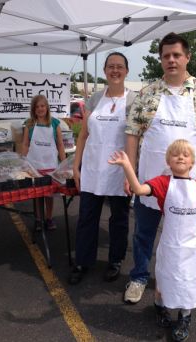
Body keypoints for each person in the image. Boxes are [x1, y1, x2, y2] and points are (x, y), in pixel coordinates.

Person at [123, 32, 196, 304]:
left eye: (176, 55)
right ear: (160, 59)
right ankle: (139, 277)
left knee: (183, 238)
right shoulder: (147, 93)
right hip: (150, 181)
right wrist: (131, 174)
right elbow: (132, 134)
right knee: (143, 234)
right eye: (166, 55)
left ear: (187, 57)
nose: (171, 60)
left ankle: (181, 282)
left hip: (187, 186)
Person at [109, 139, 196, 342]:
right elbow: (139, 190)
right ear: (169, 161)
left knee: (190, 281)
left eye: (185, 154)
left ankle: (185, 317)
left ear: (192, 162)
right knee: (166, 278)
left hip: (194, 246)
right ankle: (160, 306)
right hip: (171, 245)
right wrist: (127, 166)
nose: (181, 157)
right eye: (176, 154)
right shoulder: (163, 183)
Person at [69, 52, 136, 284]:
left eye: (119, 66)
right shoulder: (95, 99)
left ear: (126, 71)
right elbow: (83, 135)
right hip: (93, 168)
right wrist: (76, 167)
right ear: (105, 71)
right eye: (110, 67)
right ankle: (82, 261)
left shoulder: (134, 100)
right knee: (87, 217)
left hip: (120, 171)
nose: (115, 70)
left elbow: (138, 139)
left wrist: (132, 174)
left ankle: (115, 260)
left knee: (118, 218)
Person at [22, 94, 66, 230]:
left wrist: (64, 165)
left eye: (42, 106)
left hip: (50, 165)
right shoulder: (29, 124)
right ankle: (38, 219)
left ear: (47, 107)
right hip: (34, 165)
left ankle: (49, 218)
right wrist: (23, 163)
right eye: (37, 107)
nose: (40, 109)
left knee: (49, 194)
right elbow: (25, 144)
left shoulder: (55, 123)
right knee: (37, 195)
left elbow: (60, 145)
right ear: (33, 109)